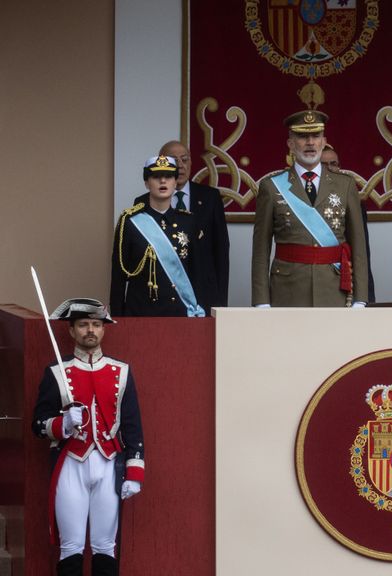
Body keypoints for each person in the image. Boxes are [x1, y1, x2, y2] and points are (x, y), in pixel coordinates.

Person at [31, 298, 144, 576]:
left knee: (105, 545)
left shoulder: (122, 371)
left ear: (103, 330)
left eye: (95, 324)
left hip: (109, 465)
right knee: (71, 546)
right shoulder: (56, 373)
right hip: (71, 463)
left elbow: (132, 426)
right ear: (71, 331)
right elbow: (38, 424)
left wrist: (135, 473)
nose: (90, 330)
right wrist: (63, 424)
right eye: (83, 325)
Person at [251, 105, 369, 307]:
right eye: (302, 136)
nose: (310, 142)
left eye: (316, 135)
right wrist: (261, 301)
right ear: (290, 143)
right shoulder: (271, 187)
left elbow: (359, 246)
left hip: (334, 289)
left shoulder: (345, 185)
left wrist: (361, 298)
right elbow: (261, 250)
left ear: (324, 142)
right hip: (288, 290)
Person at [133, 140, 230, 310]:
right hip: (159, 296)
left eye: (185, 159)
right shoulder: (142, 202)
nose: (180, 166)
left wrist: (220, 301)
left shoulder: (210, 198)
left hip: (203, 294)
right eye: (174, 160)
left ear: (191, 162)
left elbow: (221, 252)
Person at [110, 156, 206, 317]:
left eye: (168, 176)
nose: (163, 181)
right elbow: (118, 277)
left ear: (175, 183)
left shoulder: (189, 222)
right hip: (140, 313)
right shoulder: (130, 222)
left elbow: (198, 275)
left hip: (180, 313)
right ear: (147, 183)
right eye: (156, 176)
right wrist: (118, 318)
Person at [321, 144, 375, 303]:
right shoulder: (304, 200)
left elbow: (362, 252)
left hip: (346, 274)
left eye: (333, 163)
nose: (329, 169)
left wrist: (366, 294)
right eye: (323, 165)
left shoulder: (354, 202)